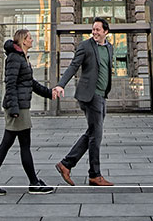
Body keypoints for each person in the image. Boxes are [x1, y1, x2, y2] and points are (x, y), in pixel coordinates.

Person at [0, 29, 56, 196]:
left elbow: (31, 83)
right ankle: (30, 183)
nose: (32, 40)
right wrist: (14, 109)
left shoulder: (22, 57)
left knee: (16, 145)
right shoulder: (15, 58)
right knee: (17, 145)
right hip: (17, 108)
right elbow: (11, 84)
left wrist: (49, 93)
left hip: (20, 107)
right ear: (23, 40)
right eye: (30, 38)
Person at [52, 17, 115, 187]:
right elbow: (73, 66)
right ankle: (95, 175)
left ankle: (66, 164)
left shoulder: (109, 48)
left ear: (105, 32)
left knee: (93, 133)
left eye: (98, 30)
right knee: (96, 136)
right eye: (93, 29)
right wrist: (60, 84)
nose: (94, 32)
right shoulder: (85, 46)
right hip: (90, 95)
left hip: (102, 96)